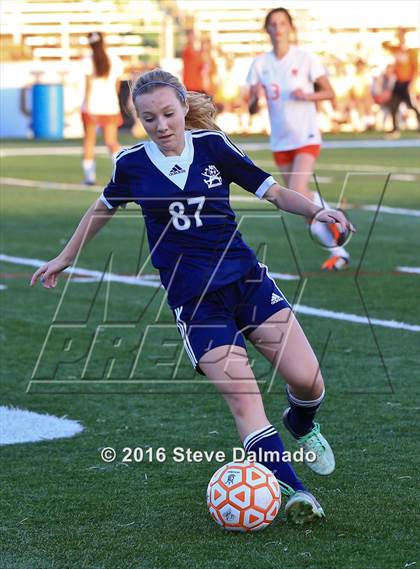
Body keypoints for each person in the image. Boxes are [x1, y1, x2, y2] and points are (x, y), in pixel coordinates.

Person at [30, 68, 354, 525]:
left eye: (167, 113)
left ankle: (301, 422)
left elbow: (274, 191)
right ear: (136, 120)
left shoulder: (214, 147)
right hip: (196, 302)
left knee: (308, 381)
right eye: (149, 119)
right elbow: (101, 207)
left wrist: (317, 210)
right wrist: (65, 256)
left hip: (247, 283)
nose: (161, 125)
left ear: (184, 107)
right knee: (243, 398)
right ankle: (296, 493)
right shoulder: (131, 164)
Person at [246, 7, 350, 271]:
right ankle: (339, 251)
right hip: (280, 140)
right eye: (272, 23)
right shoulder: (260, 63)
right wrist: (254, 98)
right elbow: (249, 105)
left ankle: (335, 219)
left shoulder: (305, 59)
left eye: (282, 23)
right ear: (267, 29)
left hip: (305, 135)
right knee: (300, 203)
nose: (277, 28)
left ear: (290, 27)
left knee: (296, 192)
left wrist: (308, 96)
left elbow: (328, 92)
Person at [81, 31, 124, 185]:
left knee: (89, 141)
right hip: (110, 106)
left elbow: (88, 87)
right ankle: (125, 172)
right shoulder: (115, 60)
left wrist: (86, 104)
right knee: (112, 142)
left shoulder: (87, 60)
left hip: (92, 106)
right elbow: (117, 86)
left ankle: (89, 177)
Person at [382, 28, 420, 138]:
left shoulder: (411, 52)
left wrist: (412, 84)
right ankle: (394, 129)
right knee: (393, 106)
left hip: (407, 83)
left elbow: (415, 69)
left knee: (412, 106)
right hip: (398, 82)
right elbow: (384, 45)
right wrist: (395, 38)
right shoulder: (396, 50)